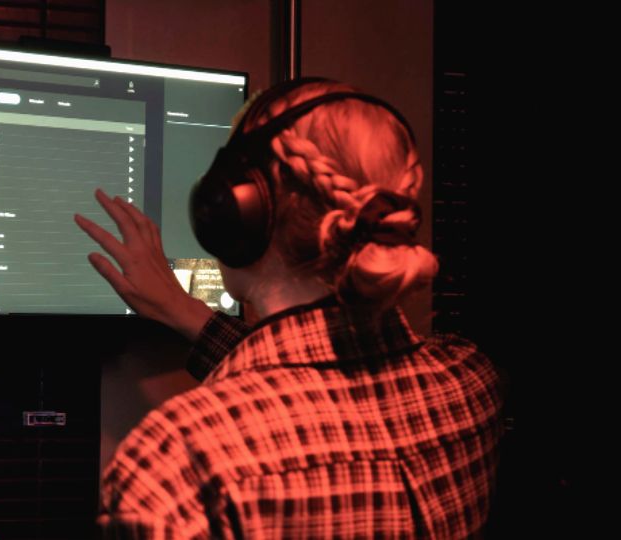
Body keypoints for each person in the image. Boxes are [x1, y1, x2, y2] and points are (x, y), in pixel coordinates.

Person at [74, 77, 504, 538]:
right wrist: (185, 312)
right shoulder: (470, 382)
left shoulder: (179, 463)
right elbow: (316, 385)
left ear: (238, 211)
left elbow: (291, 392)